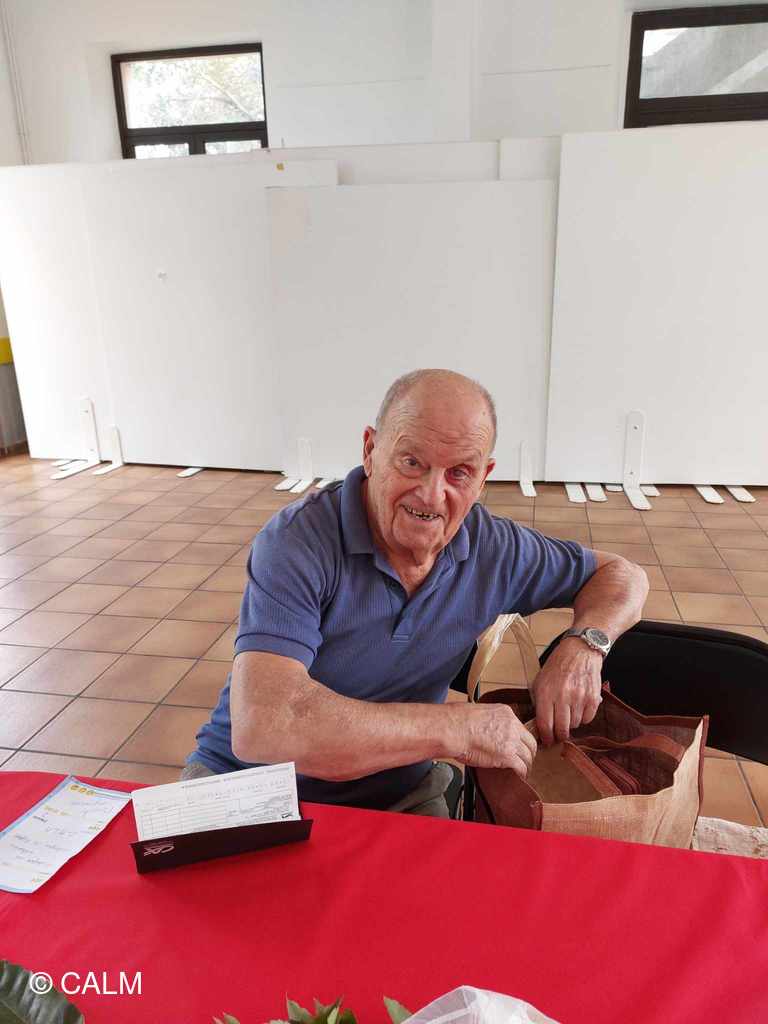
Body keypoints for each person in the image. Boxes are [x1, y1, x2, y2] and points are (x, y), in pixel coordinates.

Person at [182, 369, 648, 817]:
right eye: (412, 462)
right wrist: (453, 727)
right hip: (251, 785)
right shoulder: (298, 541)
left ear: (483, 477)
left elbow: (622, 575)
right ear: (370, 450)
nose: (431, 494)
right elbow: (264, 727)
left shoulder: (494, 548)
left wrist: (585, 646)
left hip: (397, 794)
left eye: (459, 472)